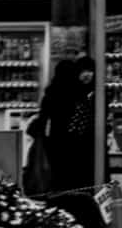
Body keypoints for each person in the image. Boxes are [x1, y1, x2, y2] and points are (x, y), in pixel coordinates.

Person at [30, 56, 98, 194]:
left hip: (54, 143)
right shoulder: (77, 94)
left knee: (58, 180)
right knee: (73, 182)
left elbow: (43, 119)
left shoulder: (51, 93)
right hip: (75, 146)